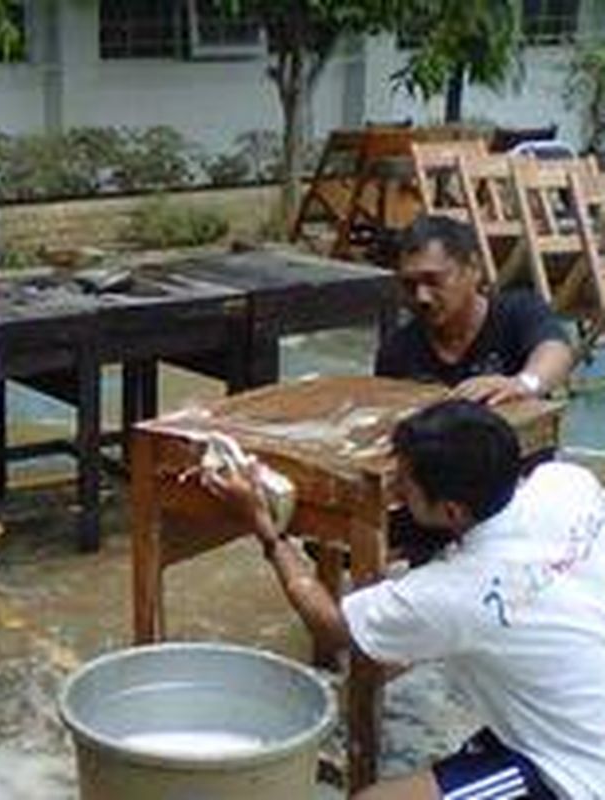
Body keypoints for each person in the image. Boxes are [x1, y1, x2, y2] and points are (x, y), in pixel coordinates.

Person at [203, 399, 605, 799]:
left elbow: (330, 626)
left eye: (405, 487)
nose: (394, 491)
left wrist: (267, 530)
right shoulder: (567, 483)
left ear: (451, 510)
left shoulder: (453, 593)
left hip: (577, 767)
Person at [375, 215, 573, 406]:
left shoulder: (518, 312)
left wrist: (523, 384)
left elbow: (555, 351)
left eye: (434, 281)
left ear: (474, 269)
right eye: (409, 285)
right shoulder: (398, 351)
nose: (422, 297)